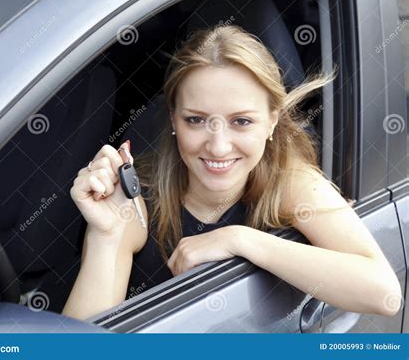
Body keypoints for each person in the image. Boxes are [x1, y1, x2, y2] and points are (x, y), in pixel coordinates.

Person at [62, 25, 402, 321]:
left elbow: (382, 292)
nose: (219, 146)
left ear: (271, 121)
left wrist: (239, 239)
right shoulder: (139, 199)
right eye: (195, 120)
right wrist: (105, 236)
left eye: (241, 121)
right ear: (173, 119)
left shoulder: (289, 183)